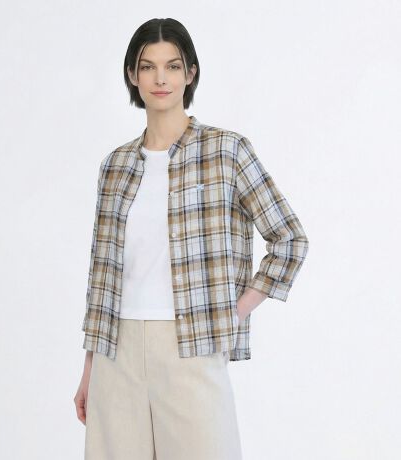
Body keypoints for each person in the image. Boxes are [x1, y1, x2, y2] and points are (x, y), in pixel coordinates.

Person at [74, 18, 309, 460]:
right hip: (115, 351)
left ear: (190, 73)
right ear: (132, 75)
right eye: (148, 67)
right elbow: (101, 274)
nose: (160, 78)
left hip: (191, 345)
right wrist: (90, 366)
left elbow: (289, 239)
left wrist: (234, 311)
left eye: (172, 66)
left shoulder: (226, 151)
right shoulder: (115, 165)